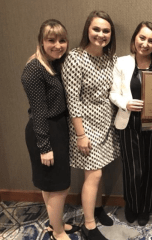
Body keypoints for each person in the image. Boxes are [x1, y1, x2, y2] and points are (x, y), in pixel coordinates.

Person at [61, 10, 120, 240]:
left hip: (107, 122)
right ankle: (88, 225)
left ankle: (96, 209)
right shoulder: (75, 58)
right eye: (96, 29)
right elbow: (72, 100)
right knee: (93, 175)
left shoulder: (110, 58)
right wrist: (80, 135)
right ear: (88, 29)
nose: (101, 34)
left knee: (99, 171)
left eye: (106, 31)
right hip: (85, 126)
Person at [110, 21, 152, 226]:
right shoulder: (121, 63)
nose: (145, 44)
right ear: (134, 38)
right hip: (129, 124)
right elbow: (113, 93)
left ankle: (146, 206)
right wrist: (125, 103)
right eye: (142, 38)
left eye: (151, 40)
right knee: (133, 169)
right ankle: (132, 205)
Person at [21, 19, 80, 240]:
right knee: (59, 186)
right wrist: (44, 145)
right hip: (45, 131)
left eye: (62, 40)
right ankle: (57, 232)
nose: (58, 45)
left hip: (57, 127)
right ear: (41, 41)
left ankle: (56, 224)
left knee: (51, 184)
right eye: (51, 40)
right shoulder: (34, 69)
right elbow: (38, 111)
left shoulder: (54, 63)